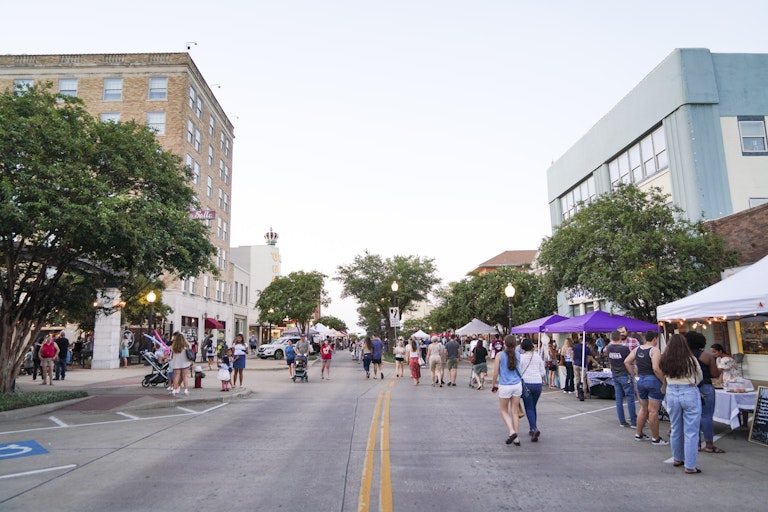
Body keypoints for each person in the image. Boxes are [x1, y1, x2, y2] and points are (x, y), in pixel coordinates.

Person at [660, 333, 703, 473]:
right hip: (689, 390)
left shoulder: (665, 359)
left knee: (675, 427)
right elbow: (699, 377)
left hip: (672, 392)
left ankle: (677, 458)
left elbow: (663, 375)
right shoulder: (691, 359)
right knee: (691, 431)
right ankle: (690, 465)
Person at [625, 330, 667, 445]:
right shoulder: (654, 350)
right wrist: (664, 381)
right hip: (653, 380)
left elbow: (627, 361)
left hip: (641, 380)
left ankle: (639, 433)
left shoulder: (637, 349)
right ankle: (656, 438)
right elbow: (656, 368)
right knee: (653, 411)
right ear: (654, 339)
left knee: (643, 409)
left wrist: (634, 374)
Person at [685, 331, 723, 454]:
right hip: (706, 387)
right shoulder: (706, 356)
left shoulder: (683, 355)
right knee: (707, 416)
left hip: (690, 387)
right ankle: (709, 445)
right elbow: (715, 374)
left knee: (692, 417)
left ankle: (696, 444)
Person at [491, 336, 523, 446]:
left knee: (504, 411)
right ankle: (516, 438)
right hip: (517, 385)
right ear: (515, 344)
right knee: (514, 411)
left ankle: (511, 431)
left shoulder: (499, 355)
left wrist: (493, 384)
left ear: (504, 344)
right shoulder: (518, 355)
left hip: (505, 385)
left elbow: (495, 372)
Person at [603, 330, 637, 428]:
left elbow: (604, 350)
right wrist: (633, 373)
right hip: (624, 374)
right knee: (630, 398)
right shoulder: (624, 349)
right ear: (619, 337)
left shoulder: (609, 348)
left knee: (619, 399)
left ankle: (622, 421)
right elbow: (629, 360)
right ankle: (633, 421)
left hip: (615, 374)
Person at [519, 338, 546, 441]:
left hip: (526, 384)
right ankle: (532, 427)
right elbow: (543, 372)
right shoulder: (538, 357)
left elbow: (519, 372)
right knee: (533, 406)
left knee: (529, 407)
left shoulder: (521, 358)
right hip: (538, 383)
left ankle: (534, 428)